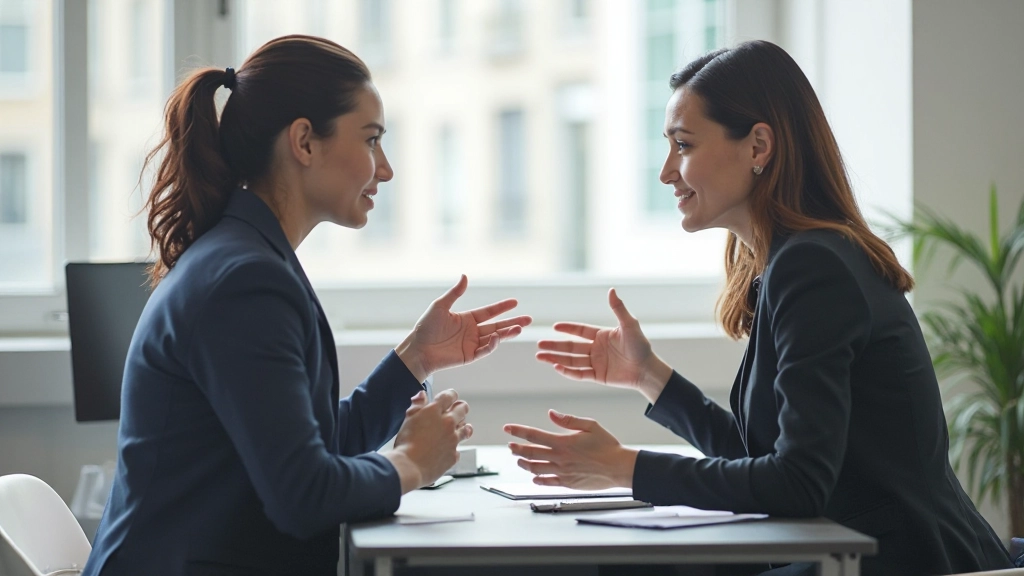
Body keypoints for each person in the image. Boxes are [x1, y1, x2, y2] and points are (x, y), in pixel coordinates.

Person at [503, 40, 1012, 576]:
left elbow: (797, 484)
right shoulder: (790, 263)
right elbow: (762, 457)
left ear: (758, 146)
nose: (666, 172)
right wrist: (648, 375)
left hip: (898, 561)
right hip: (852, 552)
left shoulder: (815, 266)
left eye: (683, 145)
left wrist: (624, 467)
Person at [83, 35, 531, 576]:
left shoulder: (248, 259)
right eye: (371, 141)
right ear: (304, 142)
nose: (384, 169)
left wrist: (416, 358)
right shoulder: (245, 282)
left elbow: (310, 444)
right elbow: (304, 494)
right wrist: (410, 462)